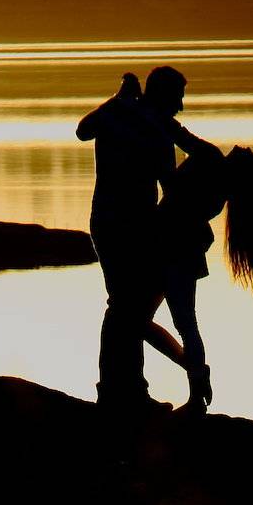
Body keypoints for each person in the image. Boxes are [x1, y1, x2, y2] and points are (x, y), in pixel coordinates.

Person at [76, 66, 191, 409]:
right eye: (177, 98)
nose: (181, 106)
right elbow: (169, 184)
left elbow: (84, 130)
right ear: (162, 96)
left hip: (111, 221)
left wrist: (118, 100)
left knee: (124, 307)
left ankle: (122, 389)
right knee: (128, 308)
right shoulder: (153, 129)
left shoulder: (118, 115)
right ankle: (123, 391)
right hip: (129, 225)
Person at [143, 135, 253, 413]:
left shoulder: (210, 158)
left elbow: (175, 135)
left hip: (172, 250)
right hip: (181, 251)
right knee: (174, 323)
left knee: (150, 321)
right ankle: (196, 375)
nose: (238, 147)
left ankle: (197, 385)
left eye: (241, 153)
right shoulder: (219, 193)